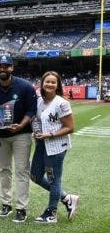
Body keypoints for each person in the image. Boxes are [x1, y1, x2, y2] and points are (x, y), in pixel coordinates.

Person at [0, 54, 37, 223]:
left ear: (12, 68)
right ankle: (5, 203)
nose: (3, 69)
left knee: (22, 171)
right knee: (4, 170)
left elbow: (31, 111)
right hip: (1, 136)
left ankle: (21, 207)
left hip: (21, 135)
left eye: (6, 66)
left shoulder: (25, 86)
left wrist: (22, 125)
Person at [30, 71, 79, 223]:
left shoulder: (61, 103)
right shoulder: (39, 100)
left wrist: (50, 135)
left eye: (53, 82)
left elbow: (70, 127)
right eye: (47, 81)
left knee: (53, 179)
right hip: (42, 144)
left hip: (57, 146)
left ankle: (51, 213)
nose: (49, 84)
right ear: (42, 83)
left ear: (57, 85)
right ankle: (66, 198)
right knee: (35, 176)